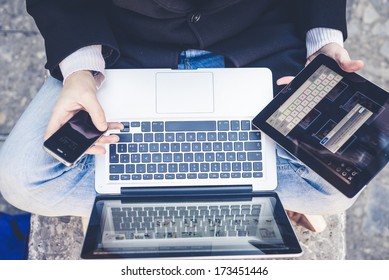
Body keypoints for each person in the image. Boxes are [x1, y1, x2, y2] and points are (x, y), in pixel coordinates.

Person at [0, 0, 364, 232]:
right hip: (120, 48)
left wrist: (323, 45)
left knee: (337, 188)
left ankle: (119, 199)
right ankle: (253, 201)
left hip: (260, 43)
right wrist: (80, 70)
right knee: (23, 178)